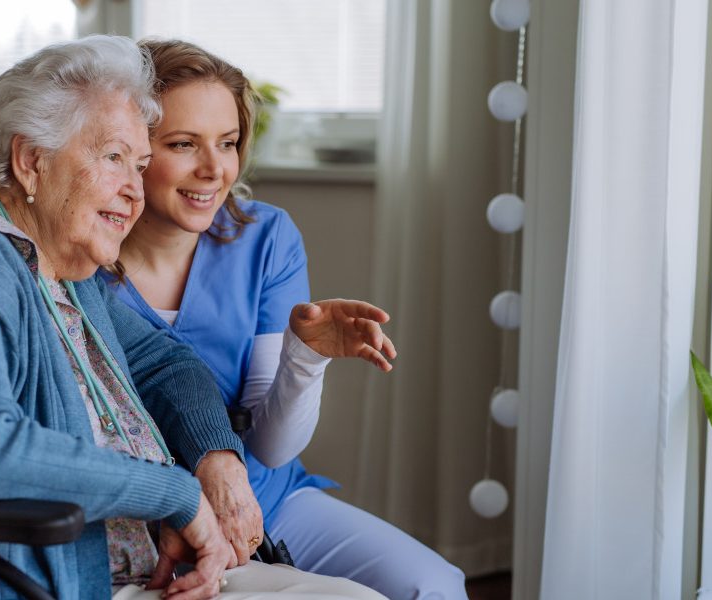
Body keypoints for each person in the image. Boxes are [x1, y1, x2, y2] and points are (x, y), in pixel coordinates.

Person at [0, 35, 384, 600]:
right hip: (34, 582)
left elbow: (166, 362)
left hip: (135, 571)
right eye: (112, 158)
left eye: (141, 164)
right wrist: (174, 495)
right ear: (32, 161)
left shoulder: (54, 266)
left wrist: (214, 460)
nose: (133, 191)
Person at [103, 38, 469, 599]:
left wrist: (307, 355)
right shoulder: (81, 252)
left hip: (265, 495)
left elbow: (272, 448)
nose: (213, 169)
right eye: (182, 144)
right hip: (142, 525)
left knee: (434, 586)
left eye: (227, 143)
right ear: (129, 147)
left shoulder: (264, 238)